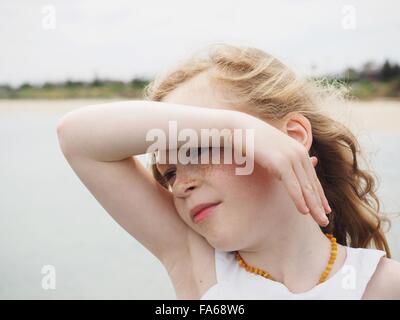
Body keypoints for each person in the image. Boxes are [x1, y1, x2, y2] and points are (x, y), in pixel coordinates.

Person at [56, 43, 400, 299]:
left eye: (201, 146)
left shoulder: (381, 284)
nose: (179, 186)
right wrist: (235, 128)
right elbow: (76, 139)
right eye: (170, 172)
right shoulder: (197, 262)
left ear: (291, 139)